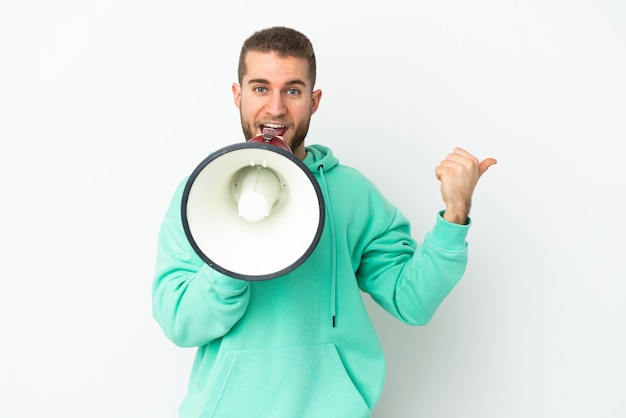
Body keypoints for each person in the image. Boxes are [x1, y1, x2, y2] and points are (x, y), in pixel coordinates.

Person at [152, 26, 496, 418]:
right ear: (238, 95)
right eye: (261, 88)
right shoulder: (198, 195)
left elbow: (411, 301)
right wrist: (230, 258)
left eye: (293, 91)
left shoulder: (352, 194)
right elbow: (181, 324)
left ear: (314, 101)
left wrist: (455, 213)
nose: (276, 108)